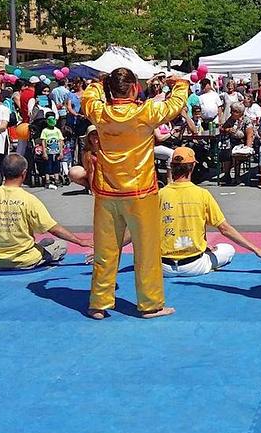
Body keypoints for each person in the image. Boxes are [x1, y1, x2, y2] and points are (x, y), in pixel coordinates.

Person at [81, 68, 189, 321]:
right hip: (140, 191)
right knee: (147, 249)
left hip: (107, 191)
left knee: (105, 250)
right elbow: (175, 104)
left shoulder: (100, 112)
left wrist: (98, 84)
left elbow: (88, 97)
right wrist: (180, 83)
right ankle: (150, 304)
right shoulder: (145, 112)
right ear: (133, 89)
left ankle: (98, 303)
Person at [146, 147, 261, 276]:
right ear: (192, 167)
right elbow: (225, 229)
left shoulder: (159, 194)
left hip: (163, 268)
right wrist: (257, 249)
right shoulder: (202, 194)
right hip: (194, 266)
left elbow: (140, 226)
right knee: (228, 249)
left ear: (172, 167)